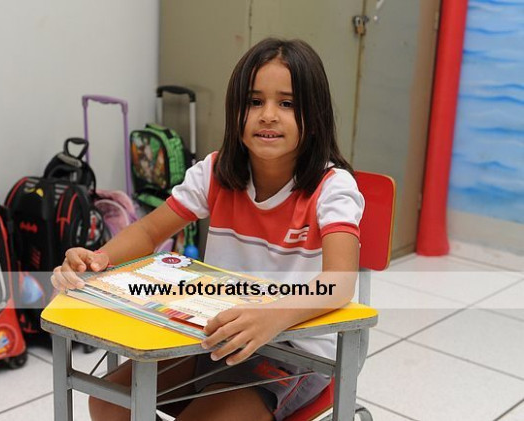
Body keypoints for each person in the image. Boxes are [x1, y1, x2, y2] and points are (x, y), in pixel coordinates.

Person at [51, 37, 364, 421]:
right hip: (210, 333)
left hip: (292, 349)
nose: (267, 115)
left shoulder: (333, 188)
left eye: (287, 103)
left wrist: (273, 316)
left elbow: (339, 282)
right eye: (254, 101)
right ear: (235, 112)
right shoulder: (216, 172)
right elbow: (148, 233)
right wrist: (98, 259)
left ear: (314, 117)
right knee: (107, 401)